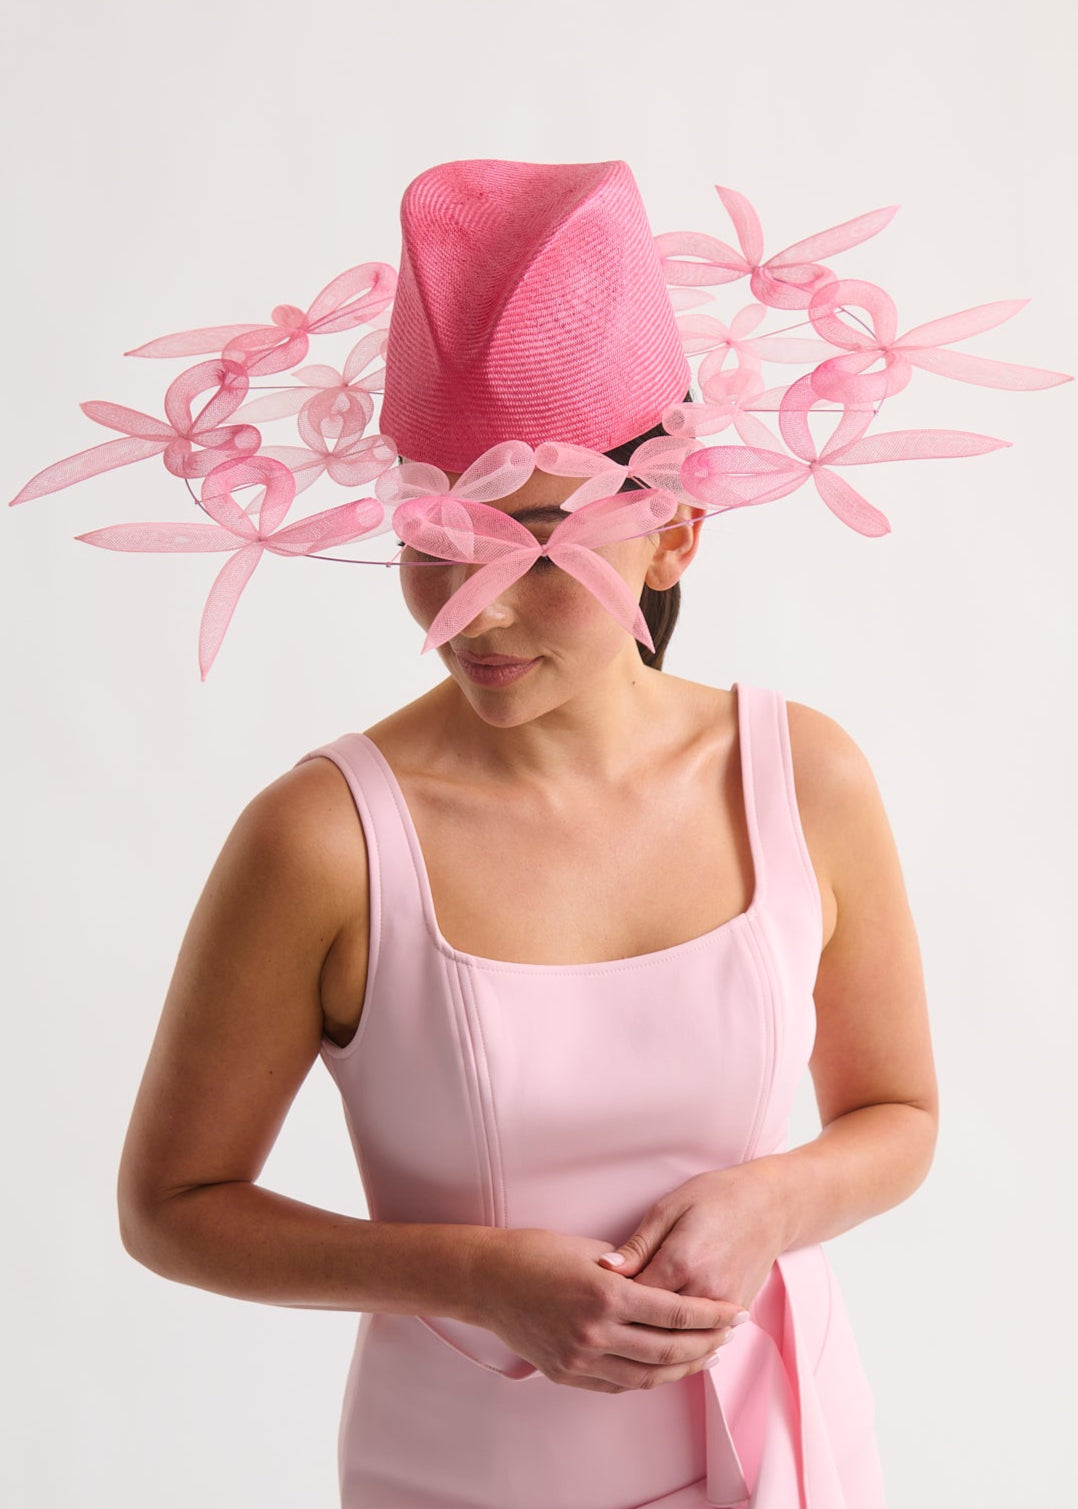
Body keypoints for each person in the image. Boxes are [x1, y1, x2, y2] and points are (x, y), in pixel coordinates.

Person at [111, 159, 942, 1508]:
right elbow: (172, 1204)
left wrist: (768, 1202)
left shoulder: (804, 776)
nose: (468, 610)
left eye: (530, 543)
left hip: (779, 1453)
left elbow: (897, 1113)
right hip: (466, 1475)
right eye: (432, 538)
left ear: (670, 533)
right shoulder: (323, 840)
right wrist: (473, 1273)